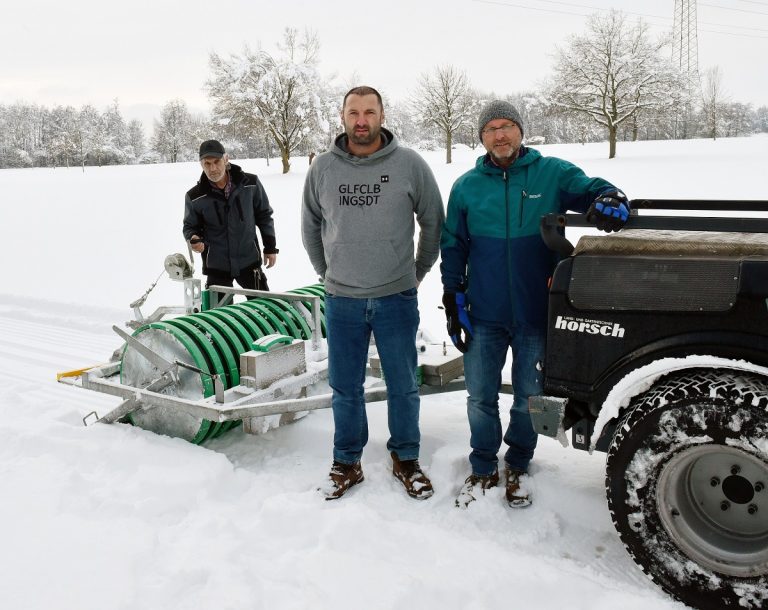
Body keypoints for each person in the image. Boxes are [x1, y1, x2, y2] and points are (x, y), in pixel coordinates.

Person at [441, 100, 629, 509]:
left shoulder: (552, 173)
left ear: (521, 131)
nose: (500, 135)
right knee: (479, 397)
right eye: (491, 129)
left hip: (536, 312)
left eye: (507, 126)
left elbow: (592, 188)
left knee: (530, 397)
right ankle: (483, 464)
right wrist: (453, 296)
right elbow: (453, 244)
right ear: (482, 138)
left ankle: (519, 464)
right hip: (483, 314)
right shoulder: (466, 186)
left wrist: (610, 197)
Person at [301, 86, 445, 501]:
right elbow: (310, 226)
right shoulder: (322, 168)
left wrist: (416, 272)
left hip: (396, 298)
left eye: (369, 112)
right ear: (343, 117)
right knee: (345, 388)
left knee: (404, 385)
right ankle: (347, 461)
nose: (361, 120)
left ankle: (406, 458)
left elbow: (433, 221)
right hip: (342, 300)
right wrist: (328, 274)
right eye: (354, 112)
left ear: (382, 115)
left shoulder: (409, 164)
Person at [183, 140, 278, 291]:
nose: (213, 168)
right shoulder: (195, 197)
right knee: (218, 308)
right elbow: (190, 226)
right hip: (217, 267)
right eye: (207, 163)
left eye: (216, 161)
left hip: (249, 261)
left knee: (263, 305)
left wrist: (270, 247)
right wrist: (193, 238)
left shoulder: (251, 184)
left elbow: (264, 215)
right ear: (201, 164)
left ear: (226, 159)